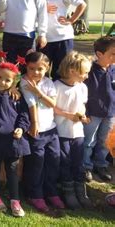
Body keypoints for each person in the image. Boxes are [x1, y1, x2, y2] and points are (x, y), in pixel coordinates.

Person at [0, 61, 30, 217]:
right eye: (0, 77)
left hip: (14, 142)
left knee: (13, 170)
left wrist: (21, 128)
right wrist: (4, 131)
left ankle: (15, 199)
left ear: (14, 82)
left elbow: (24, 114)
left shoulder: (16, 97)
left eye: (7, 80)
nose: (3, 82)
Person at [19, 52, 64, 212]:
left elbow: (52, 103)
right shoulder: (24, 82)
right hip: (36, 130)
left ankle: (50, 191)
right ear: (26, 67)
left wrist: (38, 92)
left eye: (40, 69)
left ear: (47, 68)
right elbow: (31, 104)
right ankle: (34, 194)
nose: (36, 72)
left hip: (51, 129)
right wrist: (35, 123)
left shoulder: (48, 82)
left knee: (54, 160)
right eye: (32, 68)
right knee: (36, 161)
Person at [53, 51, 92, 209]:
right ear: (72, 71)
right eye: (85, 73)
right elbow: (52, 107)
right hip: (62, 132)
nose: (87, 76)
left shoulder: (82, 87)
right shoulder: (57, 86)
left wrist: (82, 115)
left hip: (78, 133)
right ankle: (68, 192)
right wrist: (67, 115)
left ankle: (80, 191)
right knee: (65, 162)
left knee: (78, 162)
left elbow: (82, 104)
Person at [40, 0, 86, 79]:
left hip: (64, 39)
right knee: (41, 68)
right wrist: (43, 8)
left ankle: (59, 92)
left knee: (61, 70)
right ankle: (42, 93)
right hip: (44, 38)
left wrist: (71, 20)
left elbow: (82, 4)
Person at [83, 36, 115, 183]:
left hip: (110, 113)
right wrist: (86, 111)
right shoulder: (89, 70)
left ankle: (101, 164)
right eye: (113, 54)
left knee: (104, 141)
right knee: (89, 141)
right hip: (93, 113)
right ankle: (86, 166)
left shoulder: (113, 69)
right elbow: (84, 93)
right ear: (99, 54)